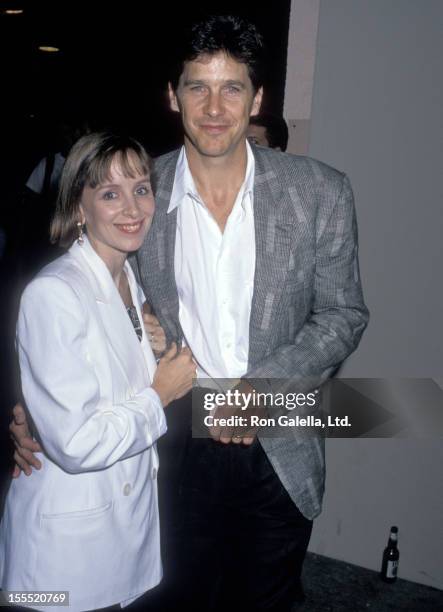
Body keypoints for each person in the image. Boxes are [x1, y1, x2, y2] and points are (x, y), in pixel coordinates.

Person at [10, 15, 369, 611]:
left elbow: (343, 314)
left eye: (232, 88)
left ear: (258, 98)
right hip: (174, 439)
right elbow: (80, 301)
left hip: (280, 438)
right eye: (197, 86)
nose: (214, 106)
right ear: (172, 96)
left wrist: (262, 389)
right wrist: (35, 408)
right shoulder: (139, 193)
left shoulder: (321, 191)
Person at [1, 132, 196, 612]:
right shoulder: (55, 293)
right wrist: (159, 394)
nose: (132, 208)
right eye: (110, 193)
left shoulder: (129, 276)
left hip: (118, 529)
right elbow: (76, 442)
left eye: (141, 189)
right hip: (63, 558)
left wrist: (157, 349)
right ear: (79, 208)